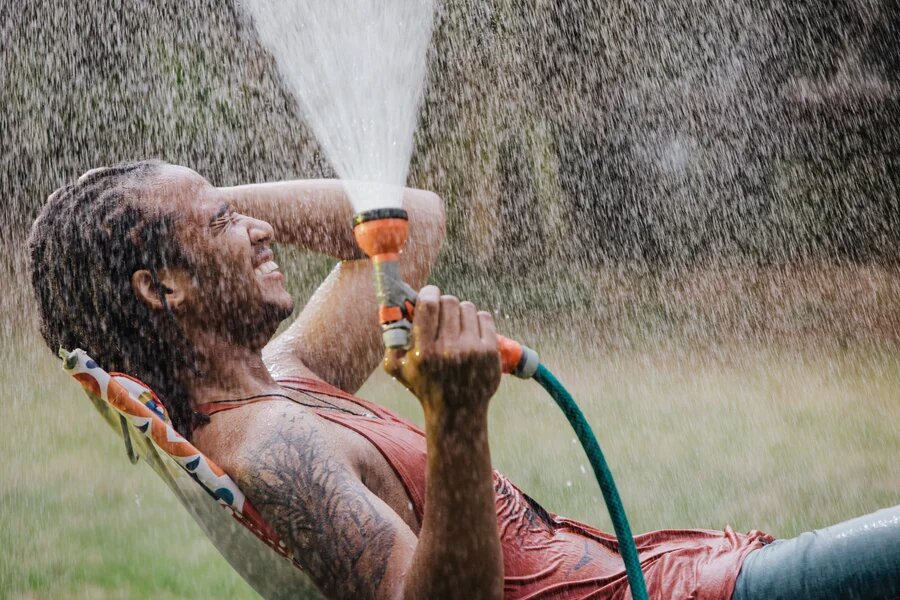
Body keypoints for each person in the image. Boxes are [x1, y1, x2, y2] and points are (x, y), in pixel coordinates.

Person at [29, 160, 899, 600]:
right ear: (162, 288)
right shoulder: (271, 447)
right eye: (225, 222)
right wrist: (456, 417)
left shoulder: (284, 379)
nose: (259, 227)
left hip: (679, 571)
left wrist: (196, 204)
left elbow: (410, 219)